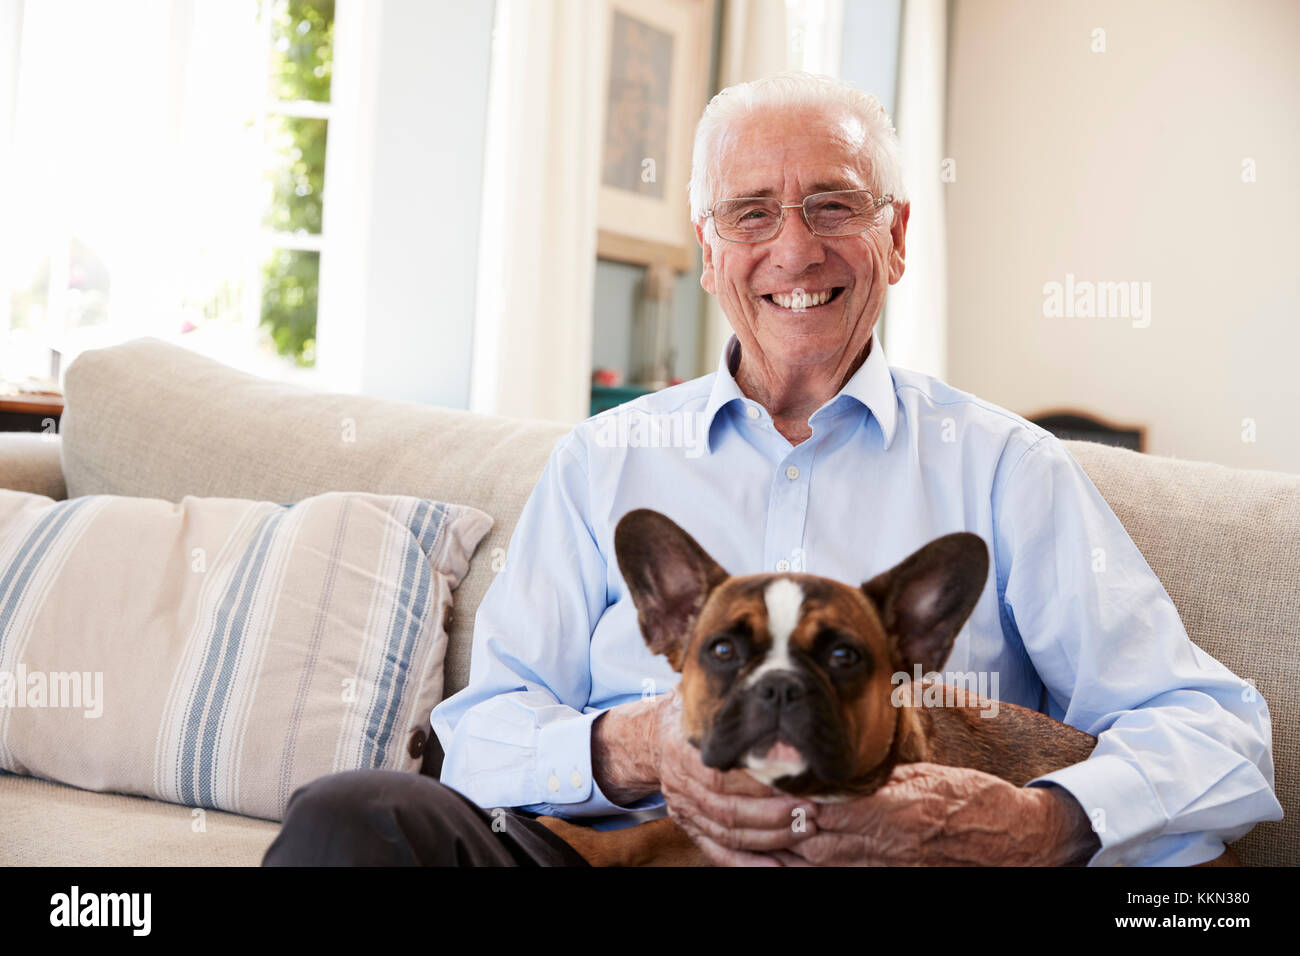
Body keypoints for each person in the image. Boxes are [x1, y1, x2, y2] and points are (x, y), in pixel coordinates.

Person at [264, 72, 1281, 867]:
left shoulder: (1006, 466)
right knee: (356, 819)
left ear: (895, 235)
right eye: (752, 213)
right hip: (633, 842)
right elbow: (481, 732)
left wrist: (1033, 822)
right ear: (707, 250)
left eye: (833, 205)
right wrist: (633, 747)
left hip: (894, 855)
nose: (794, 250)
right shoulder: (603, 463)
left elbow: (1217, 733)